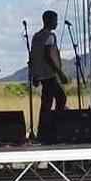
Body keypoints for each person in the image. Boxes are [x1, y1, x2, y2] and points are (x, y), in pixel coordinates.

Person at [31, 9, 71, 138]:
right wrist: (60, 73)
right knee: (60, 98)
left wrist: (35, 75)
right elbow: (48, 56)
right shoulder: (49, 36)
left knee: (47, 103)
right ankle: (54, 127)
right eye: (55, 20)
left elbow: (33, 57)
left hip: (41, 74)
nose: (57, 23)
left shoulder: (36, 36)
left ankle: (44, 130)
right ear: (48, 21)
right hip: (49, 74)